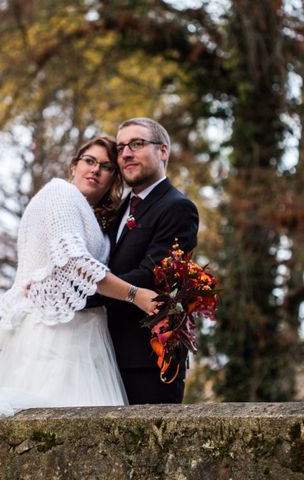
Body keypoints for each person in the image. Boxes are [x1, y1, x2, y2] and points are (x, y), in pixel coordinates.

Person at [0, 136, 159, 439]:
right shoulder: (60, 193)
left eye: (106, 166)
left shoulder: (94, 216)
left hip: (88, 336)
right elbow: (75, 262)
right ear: (74, 165)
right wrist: (135, 294)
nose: (96, 170)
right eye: (89, 161)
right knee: (47, 426)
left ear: (114, 177)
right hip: (55, 333)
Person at [105, 118, 199, 404]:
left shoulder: (177, 208)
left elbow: (150, 276)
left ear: (163, 151)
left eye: (136, 144)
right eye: (120, 148)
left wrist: (84, 290)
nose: (126, 154)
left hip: (148, 361)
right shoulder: (118, 209)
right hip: (105, 354)